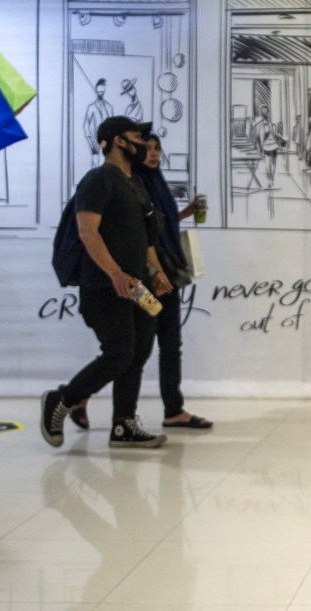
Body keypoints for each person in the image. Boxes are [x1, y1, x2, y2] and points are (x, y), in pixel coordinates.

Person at [41, 117, 174, 450]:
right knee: (119, 352)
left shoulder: (135, 183)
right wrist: (115, 273)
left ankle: (124, 425)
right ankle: (61, 399)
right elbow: (88, 231)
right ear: (117, 141)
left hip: (139, 288)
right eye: (136, 136)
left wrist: (156, 273)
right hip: (106, 287)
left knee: (140, 351)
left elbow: (145, 240)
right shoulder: (98, 180)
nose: (143, 142)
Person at [69, 133, 213, 432]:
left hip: (163, 276)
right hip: (141, 279)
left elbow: (156, 226)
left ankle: (170, 410)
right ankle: (79, 396)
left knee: (167, 343)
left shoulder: (148, 183)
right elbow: (107, 232)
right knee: (130, 351)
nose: (153, 154)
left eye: (157, 148)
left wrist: (185, 214)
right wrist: (125, 272)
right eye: (146, 149)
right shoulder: (123, 182)